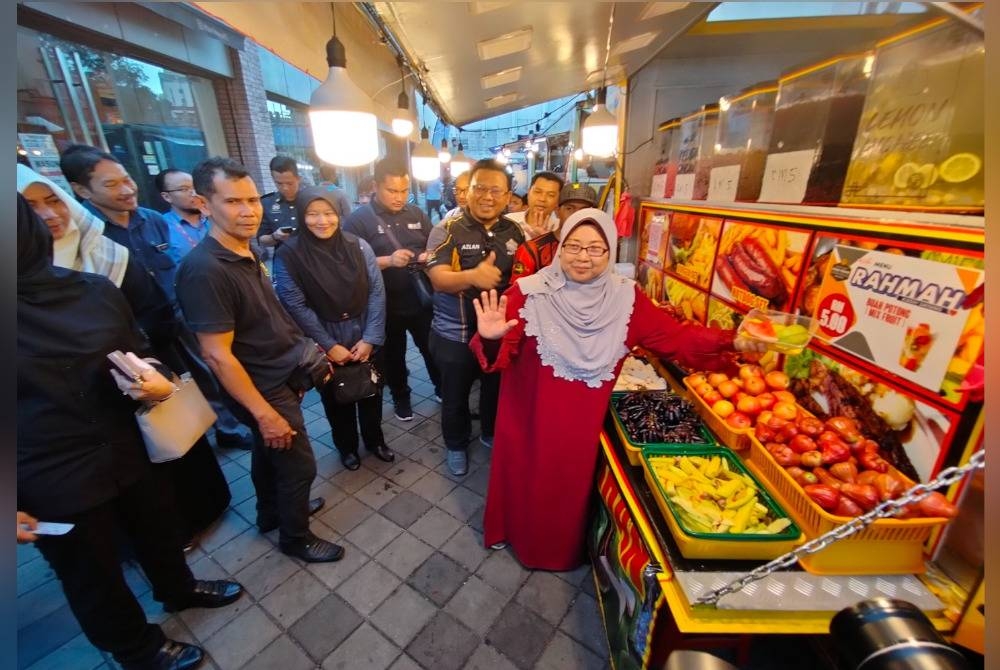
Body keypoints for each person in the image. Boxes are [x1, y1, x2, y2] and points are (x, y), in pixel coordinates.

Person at [16, 194, 244, 670]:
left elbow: (140, 351)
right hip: (47, 472)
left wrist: (156, 378)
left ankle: (178, 588)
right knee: (91, 570)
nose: (48, 216)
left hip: (127, 440)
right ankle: (136, 648)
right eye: (32, 211)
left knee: (158, 527)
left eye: (50, 204)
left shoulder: (91, 290)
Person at [470, 208, 764, 570]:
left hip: (581, 420)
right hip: (529, 412)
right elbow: (498, 356)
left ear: (610, 251)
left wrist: (734, 340)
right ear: (560, 249)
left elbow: (677, 338)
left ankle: (556, 552)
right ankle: (515, 534)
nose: (583, 256)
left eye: (596, 248)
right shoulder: (528, 292)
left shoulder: (627, 299)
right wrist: (490, 337)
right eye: (573, 246)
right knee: (524, 476)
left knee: (564, 486)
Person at [175, 157, 340, 563]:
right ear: (204, 203)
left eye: (252, 200)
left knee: (270, 455)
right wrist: (264, 414)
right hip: (260, 387)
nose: (249, 211)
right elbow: (216, 354)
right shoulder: (205, 269)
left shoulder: (245, 250)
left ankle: (272, 513)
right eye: (233, 201)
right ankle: (295, 537)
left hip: (281, 373)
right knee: (299, 465)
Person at [274, 187, 394, 471]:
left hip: (364, 329)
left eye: (328, 213)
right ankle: (347, 447)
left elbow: (377, 292)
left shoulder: (358, 246)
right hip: (323, 334)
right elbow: (295, 305)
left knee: (372, 391)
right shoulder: (289, 254)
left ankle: (375, 440)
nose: (322, 221)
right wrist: (328, 345)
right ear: (302, 216)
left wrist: (371, 338)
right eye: (313, 214)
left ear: (339, 214)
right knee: (335, 400)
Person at [425, 159, 525, 476]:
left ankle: (490, 433)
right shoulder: (447, 229)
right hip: (455, 334)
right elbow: (437, 278)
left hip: (496, 335)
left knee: (494, 390)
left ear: (507, 196)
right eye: (480, 188)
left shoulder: (514, 231)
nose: (487, 196)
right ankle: (456, 444)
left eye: (496, 190)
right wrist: (472, 276)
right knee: (454, 397)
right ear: (467, 191)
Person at [343, 159, 441, 421]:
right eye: (392, 190)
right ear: (376, 186)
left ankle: (441, 387)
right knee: (393, 356)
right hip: (383, 304)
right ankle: (401, 398)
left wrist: (426, 256)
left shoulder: (416, 213)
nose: (399, 197)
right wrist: (388, 261)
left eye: (404, 190)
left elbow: (435, 247)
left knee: (431, 347)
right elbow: (349, 265)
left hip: (420, 298)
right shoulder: (358, 220)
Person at [60, 145, 179, 305]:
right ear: (82, 190)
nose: (127, 190)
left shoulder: (154, 220)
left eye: (127, 180)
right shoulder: (79, 233)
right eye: (111, 184)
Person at [510, 182, 598, 283]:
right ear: (557, 210)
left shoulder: (601, 249)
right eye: (569, 208)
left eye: (584, 210)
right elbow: (517, 290)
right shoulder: (533, 249)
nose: (577, 215)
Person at [155, 168, 211, 264]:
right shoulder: (161, 227)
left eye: (195, 187)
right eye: (184, 189)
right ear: (167, 197)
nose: (194, 193)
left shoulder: (215, 218)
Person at [258, 155, 301, 251]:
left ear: (298, 179)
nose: (285, 188)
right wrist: (275, 236)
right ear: (273, 180)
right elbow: (261, 239)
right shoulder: (267, 203)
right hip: (283, 256)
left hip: (311, 256)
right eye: (279, 183)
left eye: (289, 183)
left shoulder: (310, 200)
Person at [504, 171, 564, 240]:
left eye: (551, 195)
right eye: (537, 192)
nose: (542, 199)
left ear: (558, 200)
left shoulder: (561, 229)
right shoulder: (508, 221)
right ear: (528, 192)